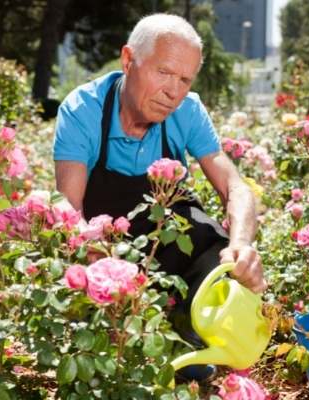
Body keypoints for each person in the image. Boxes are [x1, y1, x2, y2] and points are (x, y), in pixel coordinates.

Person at [53, 13, 266, 380]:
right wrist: (109, 279)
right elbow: (69, 212)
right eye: (164, 72)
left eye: (185, 79)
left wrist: (242, 246)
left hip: (168, 241)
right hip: (107, 248)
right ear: (128, 60)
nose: (174, 91)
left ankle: (190, 339)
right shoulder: (83, 110)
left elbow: (236, 187)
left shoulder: (187, 110)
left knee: (212, 244)